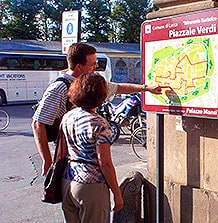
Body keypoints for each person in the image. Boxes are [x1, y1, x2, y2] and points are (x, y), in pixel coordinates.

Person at [32, 42, 164, 176]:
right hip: (68, 159)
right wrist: (47, 160)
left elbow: (118, 88)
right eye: (92, 64)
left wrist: (145, 88)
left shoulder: (89, 83)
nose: (96, 66)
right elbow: (38, 123)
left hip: (85, 161)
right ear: (78, 66)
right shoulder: (59, 88)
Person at [61, 73, 123, 222]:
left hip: (68, 179)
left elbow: (63, 149)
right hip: (91, 185)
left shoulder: (68, 116)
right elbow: (105, 163)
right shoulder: (100, 124)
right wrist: (117, 193)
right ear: (100, 95)